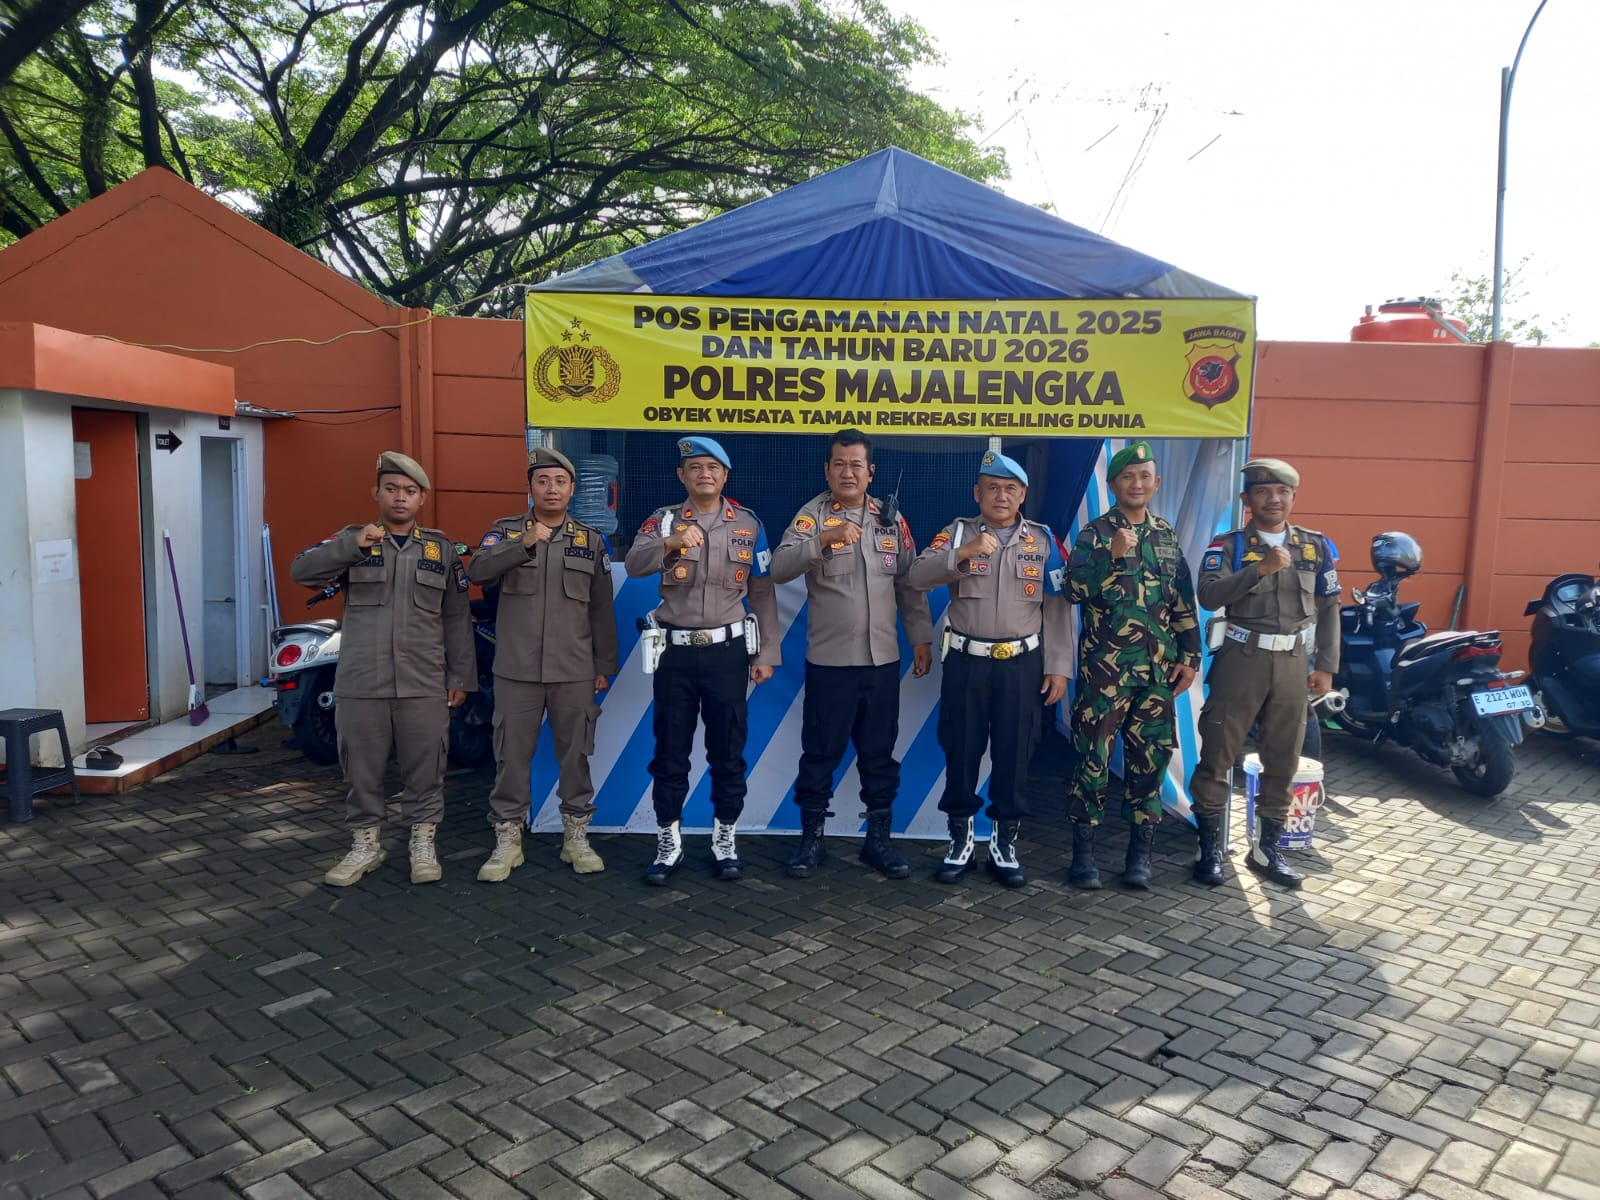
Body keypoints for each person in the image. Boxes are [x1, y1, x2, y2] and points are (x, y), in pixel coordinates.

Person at [290, 451, 474, 887]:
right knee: (362, 768)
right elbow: (302, 571)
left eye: (409, 491)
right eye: (391, 489)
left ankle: (422, 843)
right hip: (362, 681)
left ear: (422, 498)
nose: (400, 498)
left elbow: (455, 617)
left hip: (423, 681)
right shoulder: (353, 540)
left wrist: (460, 677)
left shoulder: (441, 550)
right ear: (376, 493)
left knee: (426, 767)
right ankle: (365, 844)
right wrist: (352, 546)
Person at [770, 429, 935, 880]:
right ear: (827, 470)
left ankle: (879, 840)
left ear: (870, 472)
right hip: (831, 663)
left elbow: (909, 583)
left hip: (882, 662)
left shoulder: (890, 519)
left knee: (879, 755)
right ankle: (811, 840)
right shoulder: (812, 516)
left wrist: (920, 638)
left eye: (856, 465)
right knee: (819, 753)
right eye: (839, 464)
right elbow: (779, 568)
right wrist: (823, 540)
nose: (848, 472)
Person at [907, 450, 1070, 887]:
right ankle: (960, 842)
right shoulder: (957, 533)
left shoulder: (1043, 541)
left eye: (1010, 488)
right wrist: (962, 553)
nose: (1001, 496)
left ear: (1023, 495)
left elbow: (1057, 607)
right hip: (968, 661)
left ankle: (1003, 844)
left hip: (1022, 664)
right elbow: (916, 577)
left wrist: (1058, 666)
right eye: (992, 488)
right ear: (977, 493)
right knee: (961, 750)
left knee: (1014, 753)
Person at [624, 436, 780, 884]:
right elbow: (634, 564)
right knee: (670, 751)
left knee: (728, 750)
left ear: (725, 475)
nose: (704, 474)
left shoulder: (748, 524)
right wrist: (670, 542)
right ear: (682, 475)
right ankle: (668, 841)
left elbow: (762, 591)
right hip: (674, 651)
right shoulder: (663, 520)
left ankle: (724, 838)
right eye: (695, 467)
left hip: (727, 653)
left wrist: (766, 652)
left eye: (712, 468)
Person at [467, 447, 619, 881]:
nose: (552, 489)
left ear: (572, 489)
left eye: (560, 482)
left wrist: (603, 664)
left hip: (574, 670)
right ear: (530, 487)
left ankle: (576, 838)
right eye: (543, 481)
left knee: (576, 755)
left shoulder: (590, 540)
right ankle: (508, 841)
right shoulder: (506, 531)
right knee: (511, 757)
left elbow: (600, 610)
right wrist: (523, 543)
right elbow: (478, 571)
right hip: (517, 670)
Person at [1189, 457, 1340, 889]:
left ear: (1293, 497)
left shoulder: (1315, 547)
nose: (1273, 499)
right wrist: (1259, 569)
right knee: (1218, 752)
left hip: (1293, 663)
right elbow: (1208, 595)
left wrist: (1327, 666)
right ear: (1247, 499)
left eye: (1281, 492)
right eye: (1262, 491)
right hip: (1242, 658)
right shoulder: (1230, 545)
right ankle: (1209, 849)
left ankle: (1266, 849)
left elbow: (1330, 607)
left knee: (1283, 757)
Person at [1063, 441, 1201, 890]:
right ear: (1113, 484)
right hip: (1104, 674)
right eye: (1127, 476)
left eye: (1144, 477)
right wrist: (1111, 556)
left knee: (1150, 763)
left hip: (1157, 675)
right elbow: (1071, 590)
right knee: (1093, 761)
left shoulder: (1166, 535)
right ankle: (1083, 854)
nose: (1136, 484)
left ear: (1156, 483)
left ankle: (1139, 855)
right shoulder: (1095, 534)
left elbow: (1183, 601)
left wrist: (1190, 658)